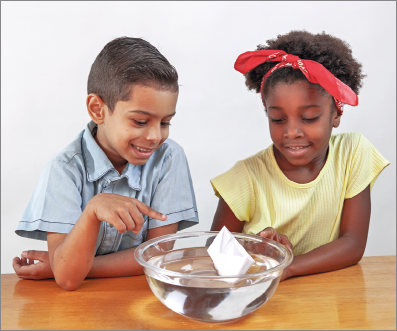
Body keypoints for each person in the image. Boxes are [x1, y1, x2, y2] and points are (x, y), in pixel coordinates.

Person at [12, 37, 199, 290]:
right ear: (98, 109)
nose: (156, 136)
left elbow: (157, 257)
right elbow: (68, 279)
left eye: (165, 122)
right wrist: (93, 211)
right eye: (141, 122)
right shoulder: (63, 170)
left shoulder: (169, 158)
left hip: (140, 300)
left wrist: (62, 264)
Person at [210, 31, 390, 281]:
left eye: (309, 118)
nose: (292, 132)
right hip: (267, 304)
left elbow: (353, 244)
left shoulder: (353, 153)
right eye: (278, 119)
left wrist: (287, 266)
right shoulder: (246, 177)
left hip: (326, 301)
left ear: (336, 113)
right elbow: (217, 254)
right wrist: (257, 251)